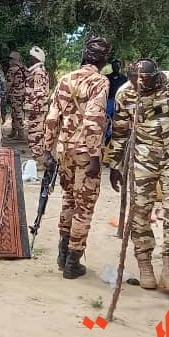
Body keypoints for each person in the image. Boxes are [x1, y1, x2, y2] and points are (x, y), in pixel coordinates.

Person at [108, 60, 169, 292]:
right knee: (140, 211)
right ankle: (145, 266)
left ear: (157, 76)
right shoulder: (125, 93)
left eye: (146, 83)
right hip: (142, 158)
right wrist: (114, 164)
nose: (140, 88)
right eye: (135, 84)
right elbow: (120, 131)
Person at [39, 37, 111, 279]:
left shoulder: (65, 79)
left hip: (64, 150)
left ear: (84, 54)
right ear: (104, 59)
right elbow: (94, 119)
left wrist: (46, 150)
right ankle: (73, 261)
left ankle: (62, 254)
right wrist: (94, 156)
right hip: (83, 152)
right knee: (84, 204)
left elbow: (51, 117)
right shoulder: (100, 81)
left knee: (69, 199)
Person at [25, 46, 51, 160]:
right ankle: (38, 156)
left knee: (35, 133)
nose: (30, 59)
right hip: (37, 107)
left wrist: (34, 107)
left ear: (36, 58)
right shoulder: (37, 70)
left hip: (37, 108)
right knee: (37, 132)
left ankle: (38, 158)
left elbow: (39, 91)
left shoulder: (38, 72)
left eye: (31, 57)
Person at [6, 51, 28, 140]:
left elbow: (9, 83)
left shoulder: (12, 69)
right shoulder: (23, 67)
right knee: (15, 112)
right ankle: (14, 131)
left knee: (17, 112)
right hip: (23, 93)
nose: (9, 61)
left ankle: (21, 133)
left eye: (11, 59)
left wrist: (4, 92)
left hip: (15, 93)